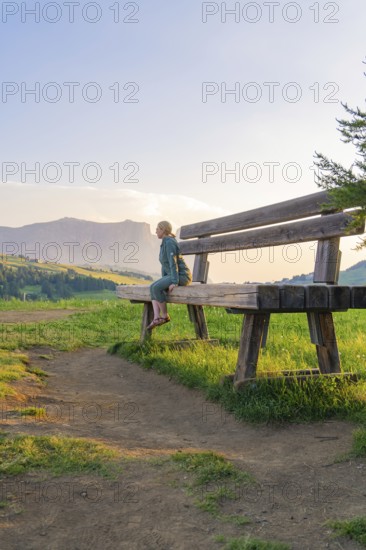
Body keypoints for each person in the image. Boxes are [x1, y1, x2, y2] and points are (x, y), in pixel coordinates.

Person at [147, 221, 192, 329]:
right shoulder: (164, 243)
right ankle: (156, 318)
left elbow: (173, 263)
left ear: (163, 230)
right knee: (153, 287)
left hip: (182, 275)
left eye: (157, 228)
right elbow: (165, 265)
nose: (156, 231)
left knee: (156, 287)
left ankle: (165, 316)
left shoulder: (169, 242)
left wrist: (174, 282)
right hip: (174, 274)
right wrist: (164, 280)